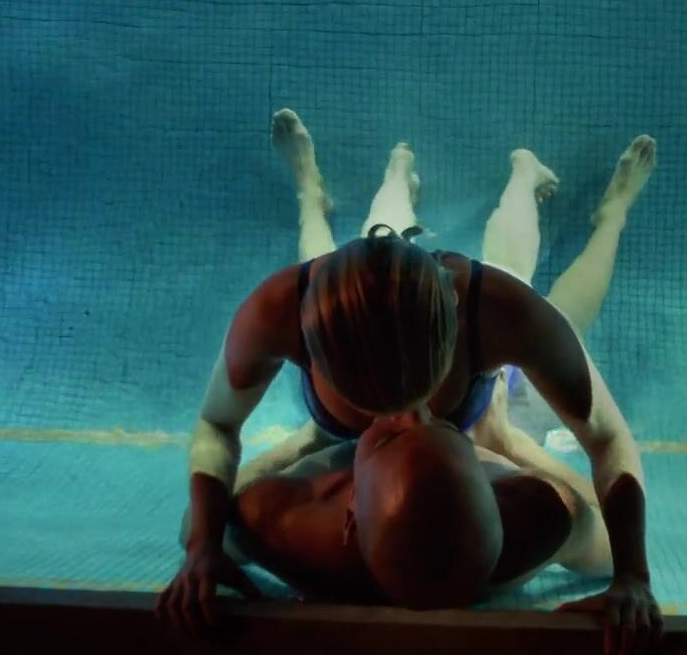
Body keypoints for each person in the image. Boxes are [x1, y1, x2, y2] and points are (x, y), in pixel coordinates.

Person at [157, 108, 660, 653]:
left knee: (518, 296)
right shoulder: (285, 311)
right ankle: (572, 204)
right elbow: (598, 494)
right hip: (458, 442)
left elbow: (215, 440)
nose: (407, 419)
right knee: (541, 312)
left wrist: (203, 544)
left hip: (429, 427)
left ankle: (375, 185)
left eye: (416, 410)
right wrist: (631, 572)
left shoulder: (493, 308)